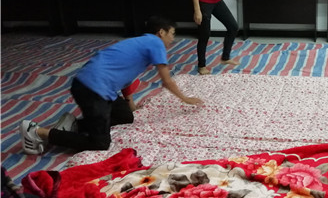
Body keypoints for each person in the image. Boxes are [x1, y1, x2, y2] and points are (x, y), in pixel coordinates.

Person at [20, 16, 204, 155]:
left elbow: (126, 76)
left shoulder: (140, 42)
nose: (173, 39)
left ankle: (74, 124)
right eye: (172, 34)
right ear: (161, 32)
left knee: (126, 116)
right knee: (100, 143)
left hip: (93, 84)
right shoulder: (155, 43)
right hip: (92, 89)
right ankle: (38, 132)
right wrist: (185, 99)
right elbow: (167, 80)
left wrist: (130, 102)